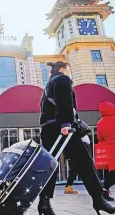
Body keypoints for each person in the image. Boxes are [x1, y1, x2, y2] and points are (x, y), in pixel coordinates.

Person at [38, 61, 115, 215]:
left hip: (49, 129)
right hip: (62, 129)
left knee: (50, 166)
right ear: (62, 69)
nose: (70, 72)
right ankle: (98, 201)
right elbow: (64, 102)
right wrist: (66, 123)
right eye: (69, 69)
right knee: (85, 164)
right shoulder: (62, 79)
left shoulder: (48, 85)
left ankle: (44, 203)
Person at [97, 101, 115, 201]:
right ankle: (103, 188)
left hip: (109, 151)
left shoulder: (100, 122)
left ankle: (104, 191)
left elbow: (100, 137)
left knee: (109, 174)